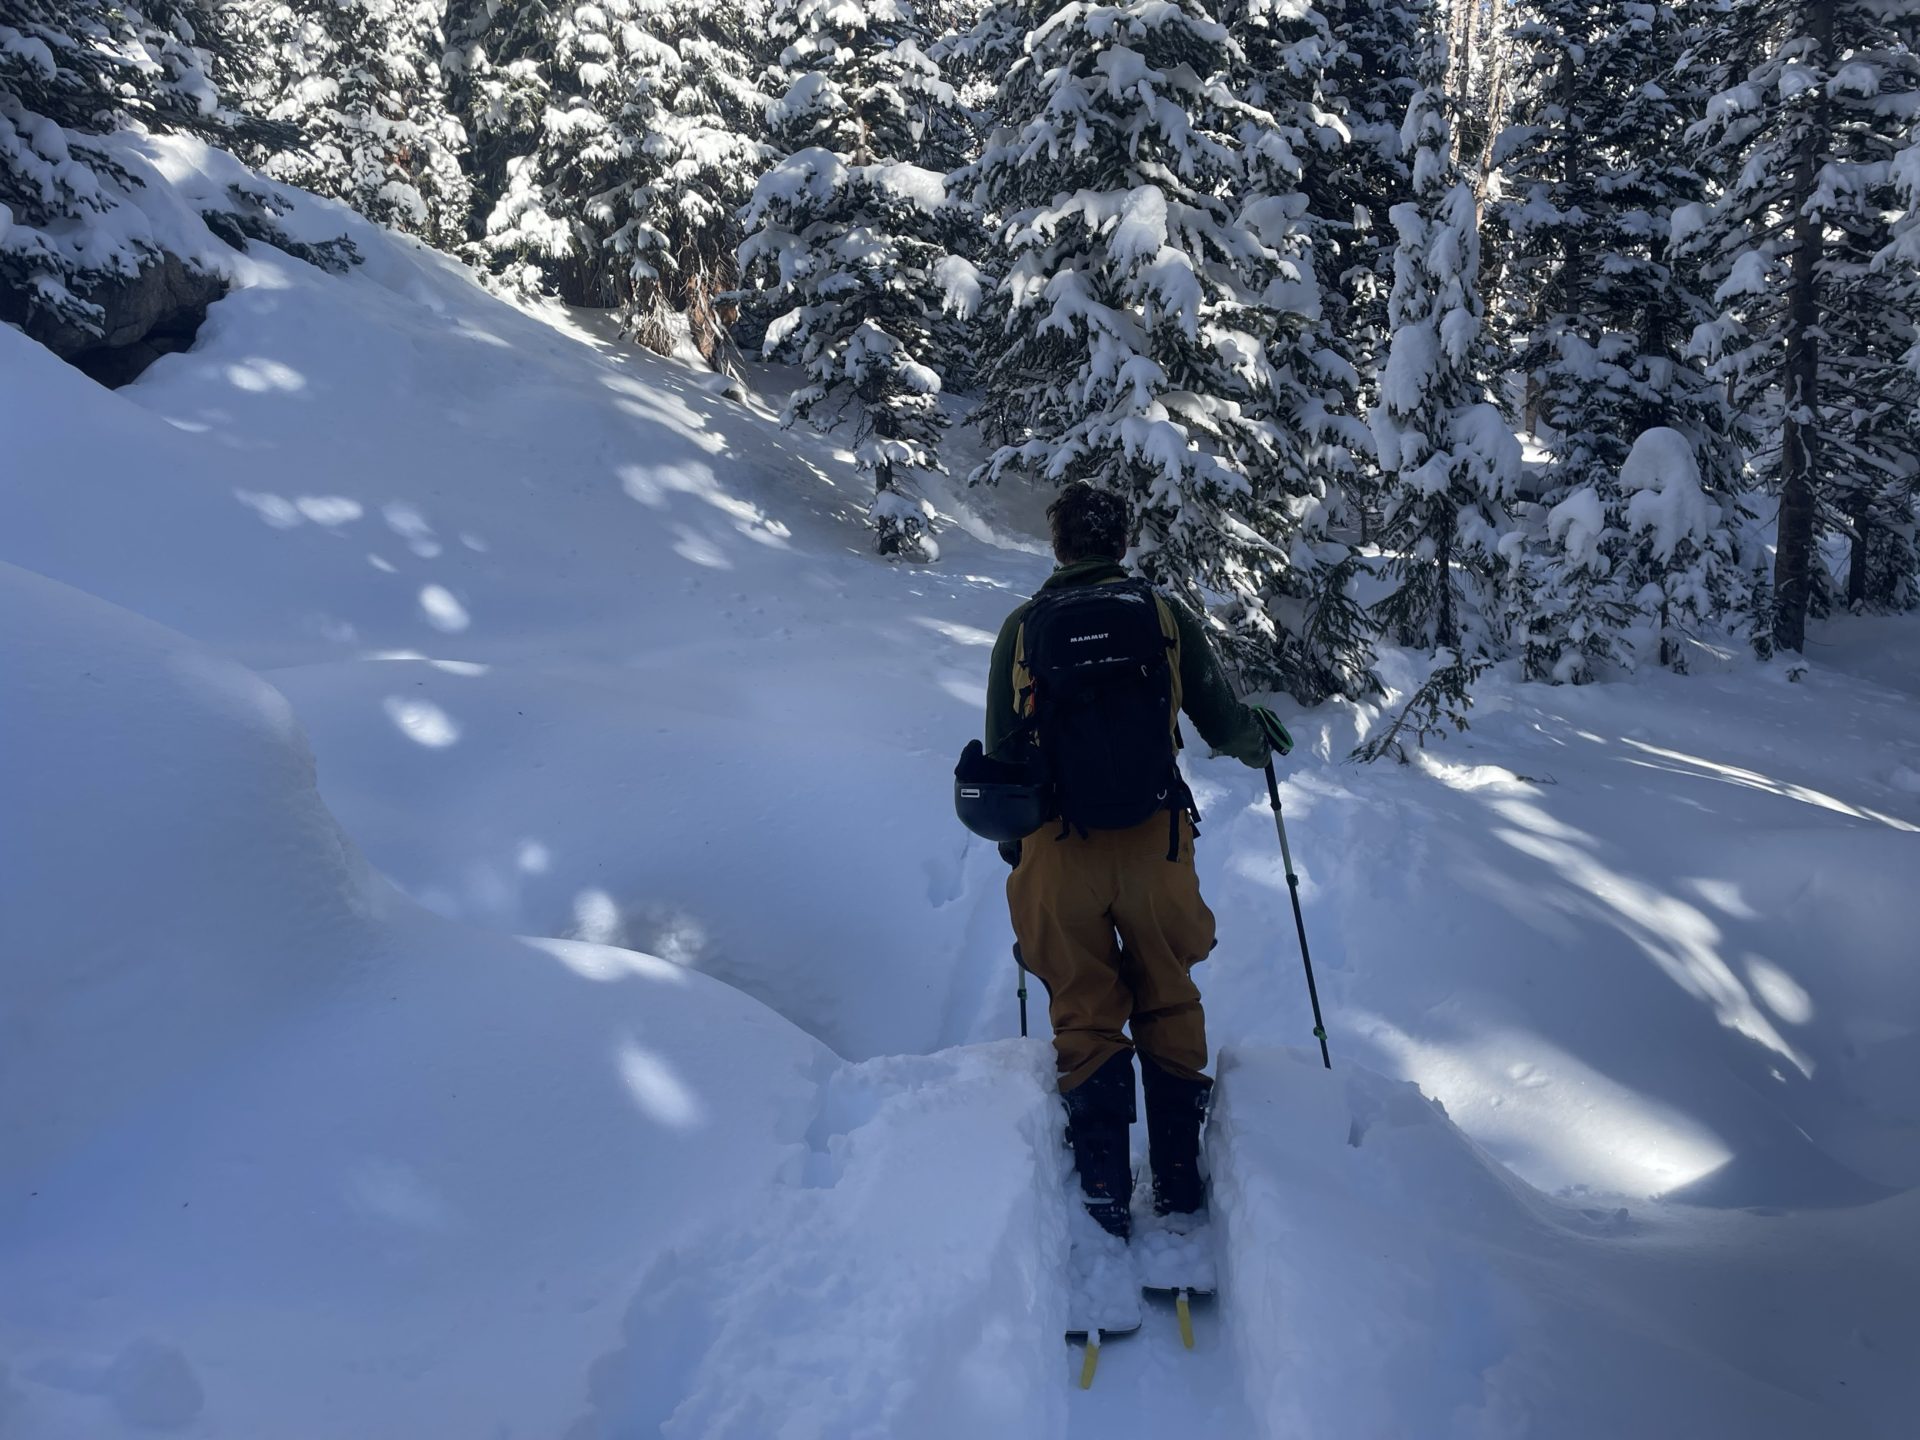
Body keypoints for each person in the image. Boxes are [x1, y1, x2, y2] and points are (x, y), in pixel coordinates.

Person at [984, 483, 1291, 1239]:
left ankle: (1103, 1186)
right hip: (1155, 845)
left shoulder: (1022, 630)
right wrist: (1262, 738)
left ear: (1058, 546)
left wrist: (1016, 850)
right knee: (1168, 991)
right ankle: (1180, 1181)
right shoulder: (1162, 616)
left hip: (1058, 850)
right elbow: (1223, 722)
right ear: (1122, 542)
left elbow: (1000, 758)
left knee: (1084, 1007)